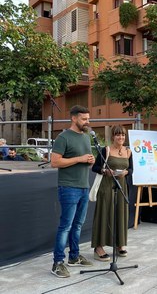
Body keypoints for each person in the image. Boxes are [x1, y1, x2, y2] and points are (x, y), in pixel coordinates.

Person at [50, 105, 95, 278]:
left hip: (84, 186)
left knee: (78, 225)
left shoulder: (85, 137)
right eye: (84, 119)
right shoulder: (63, 137)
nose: (87, 122)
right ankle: (58, 262)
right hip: (68, 187)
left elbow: (86, 160)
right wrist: (79, 159)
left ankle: (74, 257)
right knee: (66, 226)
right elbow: (55, 162)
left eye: (88, 119)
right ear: (74, 118)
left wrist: (90, 160)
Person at [91, 125, 132, 262]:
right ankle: (98, 247)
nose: (121, 137)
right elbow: (95, 167)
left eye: (123, 135)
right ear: (112, 136)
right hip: (106, 186)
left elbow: (131, 169)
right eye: (118, 135)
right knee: (104, 214)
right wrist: (105, 171)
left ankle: (119, 244)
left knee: (121, 213)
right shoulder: (106, 150)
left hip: (121, 186)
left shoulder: (128, 151)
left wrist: (126, 172)